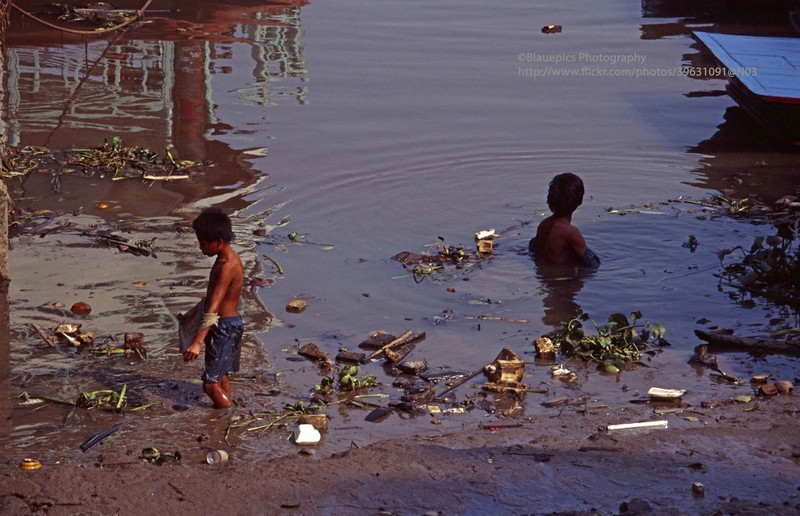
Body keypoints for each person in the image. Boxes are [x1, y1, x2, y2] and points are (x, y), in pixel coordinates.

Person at [183, 207, 244, 408]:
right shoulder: (228, 258)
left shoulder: (227, 266)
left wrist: (197, 342)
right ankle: (226, 408)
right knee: (220, 375)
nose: (201, 248)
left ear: (218, 241)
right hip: (229, 324)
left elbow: (214, 309)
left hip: (223, 327)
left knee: (209, 384)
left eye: (203, 244)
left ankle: (227, 413)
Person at [529, 172, 600, 268]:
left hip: (544, 276)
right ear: (579, 201)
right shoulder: (570, 232)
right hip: (562, 280)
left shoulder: (544, 224)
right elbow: (593, 263)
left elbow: (532, 249)